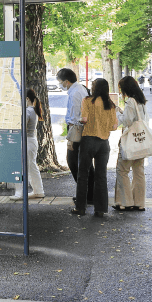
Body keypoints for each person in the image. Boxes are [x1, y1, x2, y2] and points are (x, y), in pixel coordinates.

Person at [71, 78, 118, 217]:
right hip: (104, 143)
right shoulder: (110, 104)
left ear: (95, 88)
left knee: (83, 175)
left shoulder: (87, 101)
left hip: (88, 140)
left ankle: (80, 208)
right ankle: (100, 209)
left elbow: (84, 119)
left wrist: (80, 120)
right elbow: (114, 126)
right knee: (101, 176)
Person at [56, 68, 94, 203]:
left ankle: (85, 195)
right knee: (84, 163)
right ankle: (88, 194)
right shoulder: (79, 89)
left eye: (60, 82)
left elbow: (75, 116)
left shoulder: (75, 93)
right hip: (81, 128)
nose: (60, 84)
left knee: (74, 162)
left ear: (66, 81)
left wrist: (70, 140)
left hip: (77, 128)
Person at [113, 76, 148, 212]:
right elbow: (137, 118)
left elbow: (126, 121)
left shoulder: (129, 101)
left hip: (129, 141)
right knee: (139, 171)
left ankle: (125, 202)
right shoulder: (141, 101)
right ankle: (139, 203)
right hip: (141, 141)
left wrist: (117, 113)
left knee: (122, 171)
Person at [10, 88, 45, 200]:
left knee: (19, 167)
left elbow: (21, 128)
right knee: (31, 167)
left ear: (26, 99)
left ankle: (19, 193)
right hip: (31, 141)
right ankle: (38, 191)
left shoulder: (27, 111)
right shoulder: (33, 110)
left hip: (25, 142)